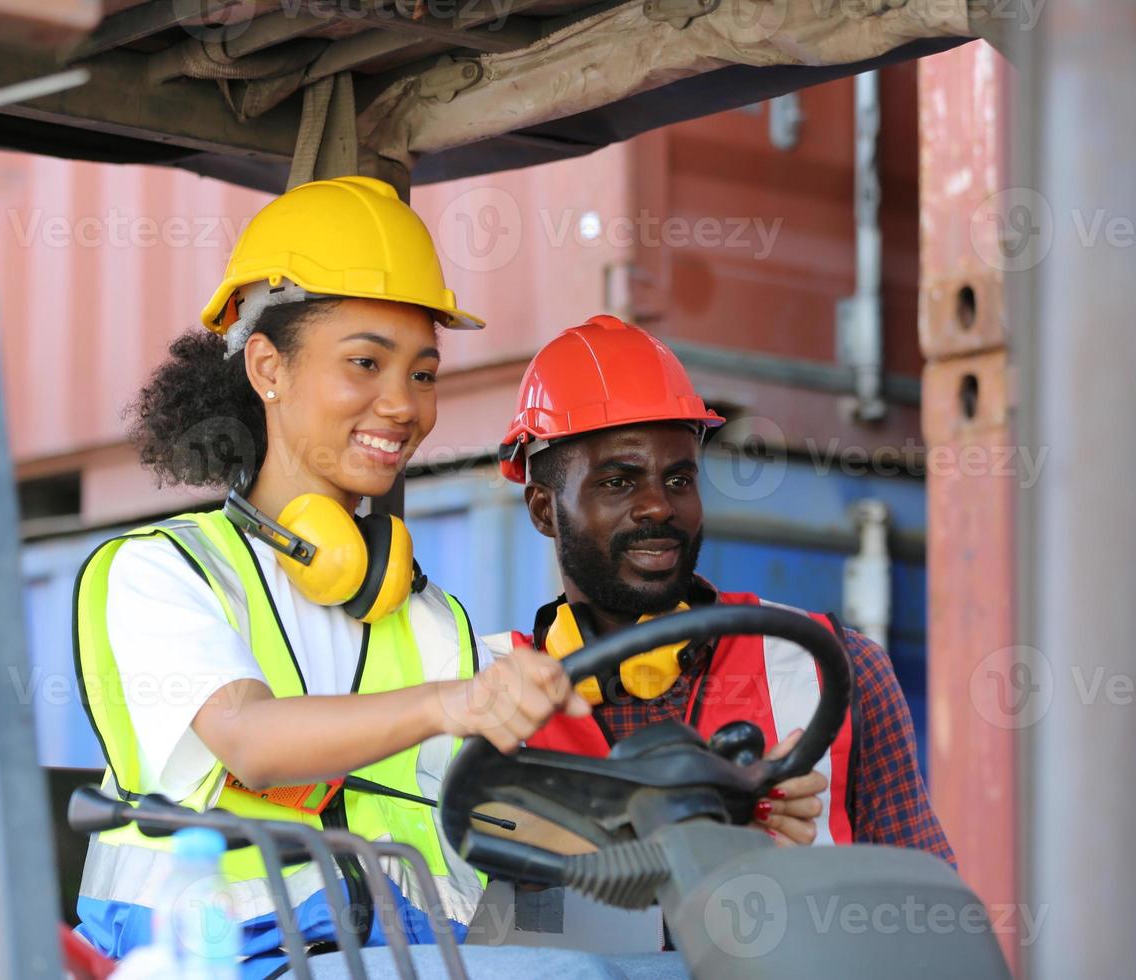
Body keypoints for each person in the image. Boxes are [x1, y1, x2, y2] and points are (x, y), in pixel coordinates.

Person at [70, 176, 591, 979]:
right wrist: (450, 703)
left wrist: (708, 814)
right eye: (364, 363)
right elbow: (252, 743)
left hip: (403, 957)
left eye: (422, 374)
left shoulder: (428, 619)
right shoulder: (164, 573)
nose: (402, 406)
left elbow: (509, 839)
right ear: (268, 368)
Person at [489, 314, 955, 863]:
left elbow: (930, 919)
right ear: (545, 509)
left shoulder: (836, 671)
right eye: (617, 482)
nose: (660, 506)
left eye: (679, 480)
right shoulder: (483, 700)